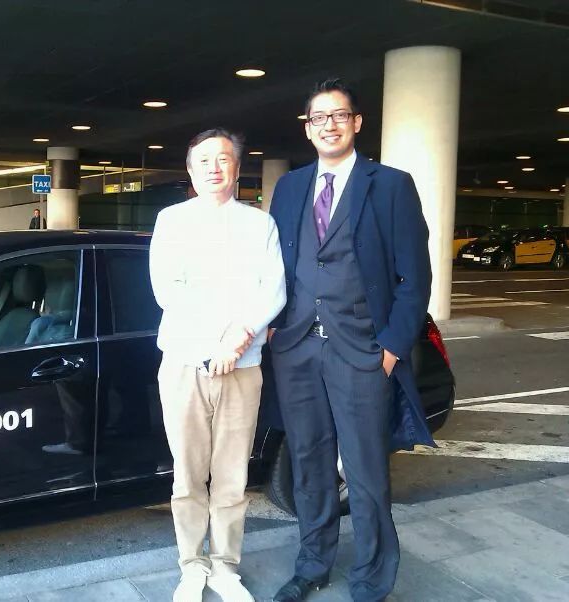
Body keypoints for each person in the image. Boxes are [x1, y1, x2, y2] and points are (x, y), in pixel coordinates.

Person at [267, 78, 433, 602]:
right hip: (297, 349)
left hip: (361, 352)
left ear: (357, 123)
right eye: (319, 117)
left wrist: (389, 349)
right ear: (308, 128)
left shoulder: (390, 185)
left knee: (364, 472)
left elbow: (415, 278)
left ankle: (371, 578)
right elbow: (275, 266)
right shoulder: (290, 187)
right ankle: (312, 564)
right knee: (309, 463)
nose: (329, 125)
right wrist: (272, 327)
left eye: (339, 115)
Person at [149, 128, 286, 602]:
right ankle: (191, 566)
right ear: (190, 170)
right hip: (186, 362)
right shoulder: (171, 221)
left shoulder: (259, 224)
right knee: (187, 474)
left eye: (223, 159)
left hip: (242, 366)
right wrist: (215, 343)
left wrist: (237, 339)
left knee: (232, 475)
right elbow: (169, 291)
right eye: (203, 160)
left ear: (237, 167)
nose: (213, 167)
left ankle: (226, 567)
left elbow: (273, 289)